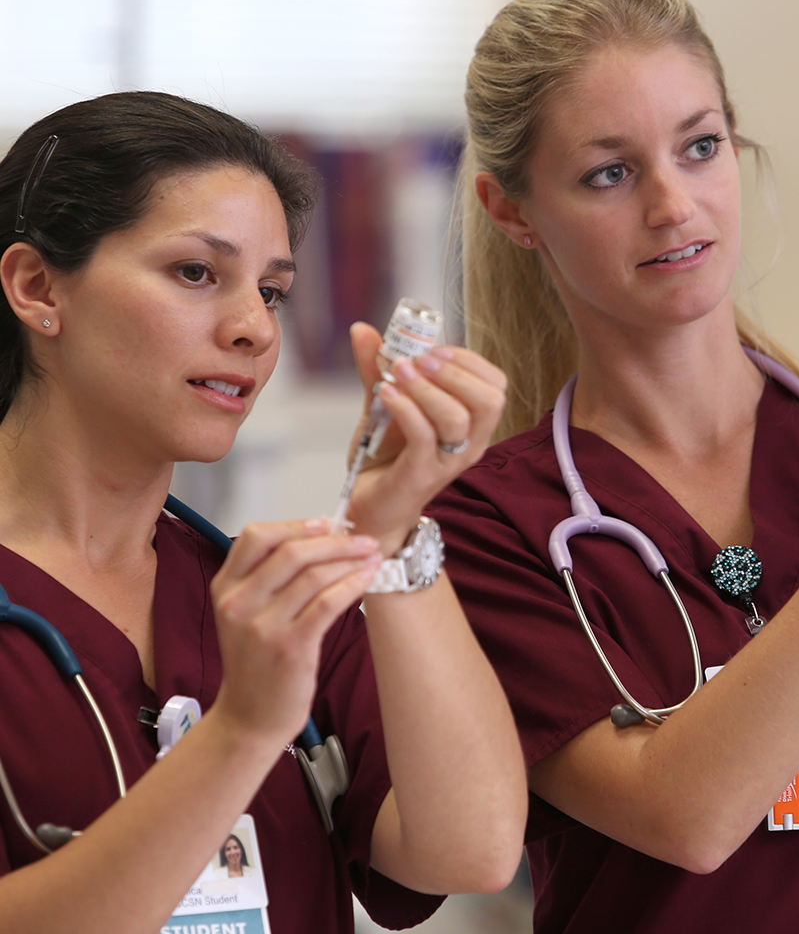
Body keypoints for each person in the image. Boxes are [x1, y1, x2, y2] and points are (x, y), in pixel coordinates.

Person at [428, 0, 799, 932]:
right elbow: (688, 814)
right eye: (610, 173)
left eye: (699, 148)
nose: (672, 205)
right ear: (512, 211)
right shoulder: (489, 530)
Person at [0, 91, 526, 933]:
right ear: (37, 287)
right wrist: (241, 730)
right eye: (196, 273)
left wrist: (391, 530)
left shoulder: (270, 604)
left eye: (272, 292)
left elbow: (472, 849)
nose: (253, 329)